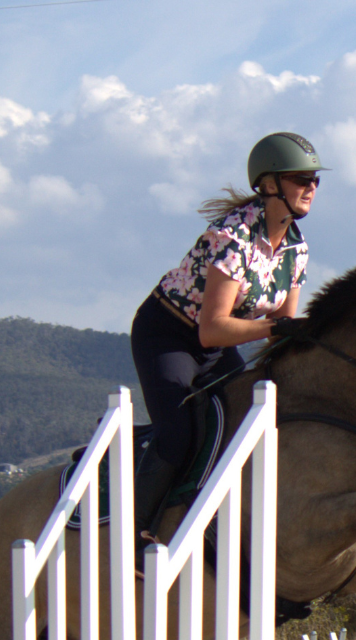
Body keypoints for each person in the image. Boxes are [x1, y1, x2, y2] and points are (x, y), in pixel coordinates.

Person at [130, 131, 327, 542]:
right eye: (300, 179)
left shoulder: (297, 248)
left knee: (245, 419)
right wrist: (279, 327)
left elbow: (283, 330)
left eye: (315, 180)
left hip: (219, 346)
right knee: (179, 431)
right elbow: (211, 329)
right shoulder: (232, 237)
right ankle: (136, 530)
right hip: (170, 335)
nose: (310, 187)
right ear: (270, 184)